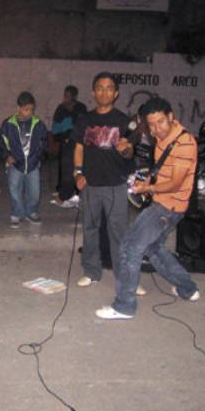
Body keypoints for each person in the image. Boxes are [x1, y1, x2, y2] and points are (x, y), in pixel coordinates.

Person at [96, 97, 200, 320]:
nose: (156, 129)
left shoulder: (185, 143)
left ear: (171, 116)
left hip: (167, 206)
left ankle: (124, 306)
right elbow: (162, 170)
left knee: (129, 248)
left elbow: (175, 183)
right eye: (151, 125)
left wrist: (149, 188)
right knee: (153, 248)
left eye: (160, 122)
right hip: (168, 203)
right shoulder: (164, 137)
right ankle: (188, 289)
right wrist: (147, 183)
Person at [72, 72, 134, 288]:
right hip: (90, 184)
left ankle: (123, 276)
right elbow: (79, 149)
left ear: (116, 93)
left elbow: (129, 153)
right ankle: (91, 271)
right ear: (93, 92)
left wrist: (126, 150)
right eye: (100, 88)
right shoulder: (85, 120)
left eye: (109, 88)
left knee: (118, 232)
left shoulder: (124, 121)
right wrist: (78, 174)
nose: (104, 92)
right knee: (90, 229)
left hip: (116, 184)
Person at [0, 91, 48, 228]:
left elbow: (43, 143)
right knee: (15, 190)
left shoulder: (38, 124)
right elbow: (1, 143)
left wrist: (39, 157)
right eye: (26, 109)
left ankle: (31, 212)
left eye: (31, 109)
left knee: (35, 192)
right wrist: (7, 156)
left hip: (33, 164)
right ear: (18, 107)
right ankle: (17, 213)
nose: (29, 112)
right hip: (15, 164)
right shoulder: (8, 124)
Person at [51, 85, 87, 208]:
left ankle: (76, 194)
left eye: (68, 95)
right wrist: (63, 138)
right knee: (65, 170)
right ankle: (63, 192)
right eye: (64, 95)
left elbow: (84, 126)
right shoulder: (60, 109)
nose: (65, 98)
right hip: (65, 143)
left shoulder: (81, 108)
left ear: (74, 96)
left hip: (78, 143)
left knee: (78, 168)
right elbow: (55, 127)